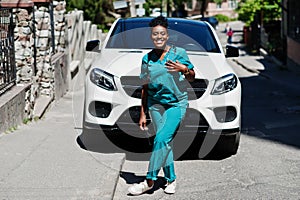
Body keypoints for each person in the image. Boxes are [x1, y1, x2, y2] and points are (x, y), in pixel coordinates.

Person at [128, 16, 195, 195]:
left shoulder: (178, 53)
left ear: (167, 35)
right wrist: (143, 113)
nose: (159, 37)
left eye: (162, 34)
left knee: (161, 139)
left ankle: (149, 180)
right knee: (164, 141)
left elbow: (192, 77)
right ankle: (171, 179)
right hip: (155, 105)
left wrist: (184, 70)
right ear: (151, 36)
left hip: (176, 104)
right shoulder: (147, 59)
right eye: (155, 34)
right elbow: (145, 87)